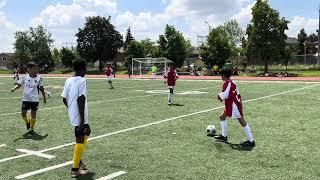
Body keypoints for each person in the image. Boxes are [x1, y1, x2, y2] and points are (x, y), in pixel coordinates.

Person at [61, 60, 91, 177]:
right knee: (81, 136)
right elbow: (81, 99)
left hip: (73, 114)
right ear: (83, 68)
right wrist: (82, 121)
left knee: (86, 132)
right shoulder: (82, 80)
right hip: (80, 115)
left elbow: (64, 98)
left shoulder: (68, 80)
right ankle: (75, 168)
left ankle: (79, 160)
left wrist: (70, 109)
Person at [214, 68, 255, 147]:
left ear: (224, 75)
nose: (220, 77)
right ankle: (224, 136)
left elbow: (225, 94)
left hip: (234, 106)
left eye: (221, 75)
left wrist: (219, 96)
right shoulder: (232, 82)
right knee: (222, 117)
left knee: (242, 121)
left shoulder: (227, 83)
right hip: (232, 104)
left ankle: (251, 141)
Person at [11, 62, 47, 134]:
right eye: (34, 68)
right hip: (26, 99)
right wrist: (14, 88)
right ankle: (27, 122)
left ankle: (32, 129)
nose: (36, 70)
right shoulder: (24, 77)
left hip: (35, 100)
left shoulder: (39, 78)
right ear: (29, 69)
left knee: (33, 114)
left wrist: (44, 97)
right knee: (23, 114)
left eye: (37, 68)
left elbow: (41, 88)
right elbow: (19, 85)